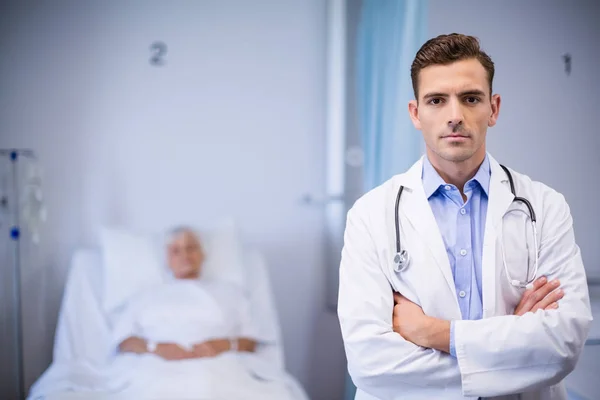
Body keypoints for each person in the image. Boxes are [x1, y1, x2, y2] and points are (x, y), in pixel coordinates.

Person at [337, 33, 592, 400]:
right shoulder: (370, 215)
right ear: (415, 113)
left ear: (494, 108)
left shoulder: (546, 207)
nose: (455, 115)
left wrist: (433, 333)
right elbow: (370, 364)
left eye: (470, 98)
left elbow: (563, 344)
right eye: (437, 100)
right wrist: (513, 342)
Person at [110, 227, 298, 399]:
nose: (185, 255)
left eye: (191, 248)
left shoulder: (230, 292)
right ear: (167, 259)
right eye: (176, 250)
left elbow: (250, 340)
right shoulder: (146, 296)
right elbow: (124, 341)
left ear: (203, 254)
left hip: (220, 363)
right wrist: (156, 348)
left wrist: (223, 345)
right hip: (156, 364)